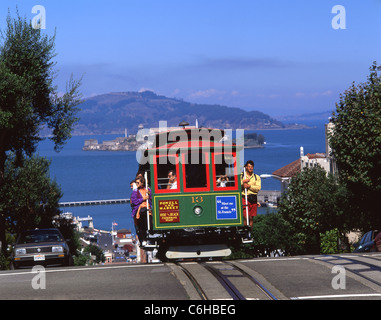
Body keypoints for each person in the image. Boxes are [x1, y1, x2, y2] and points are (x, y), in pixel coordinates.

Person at [130, 175, 152, 246]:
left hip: (148, 208)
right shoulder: (135, 192)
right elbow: (134, 201)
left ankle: (149, 237)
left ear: (142, 183)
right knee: (141, 224)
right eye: (136, 183)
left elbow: (152, 197)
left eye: (138, 183)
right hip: (140, 210)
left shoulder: (147, 190)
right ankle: (144, 239)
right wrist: (143, 198)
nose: (137, 184)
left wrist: (149, 196)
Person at [241, 160, 261, 228]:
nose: (250, 168)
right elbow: (237, 184)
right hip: (244, 197)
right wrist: (243, 182)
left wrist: (249, 186)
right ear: (246, 167)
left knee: (251, 218)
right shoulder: (241, 176)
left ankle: (249, 232)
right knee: (245, 216)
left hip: (253, 198)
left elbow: (258, 188)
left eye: (252, 167)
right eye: (249, 167)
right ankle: (245, 230)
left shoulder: (256, 177)